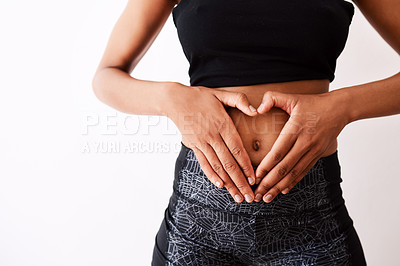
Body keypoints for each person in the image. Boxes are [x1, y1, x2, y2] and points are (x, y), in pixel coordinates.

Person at [92, 0, 400, 265]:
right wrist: (173, 99)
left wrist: (342, 106)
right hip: (198, 226)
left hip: (311, 223)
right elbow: (107, 77)